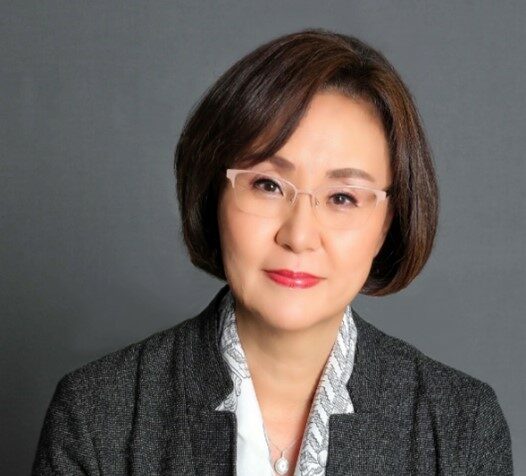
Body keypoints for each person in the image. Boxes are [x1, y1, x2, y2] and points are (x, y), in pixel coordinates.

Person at [32, 28, 513, 475]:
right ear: (214, 194)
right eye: (267, 185)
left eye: (342, 197)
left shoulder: (460, 428)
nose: (299, 236)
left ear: (387, 223)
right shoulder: (97, 416)